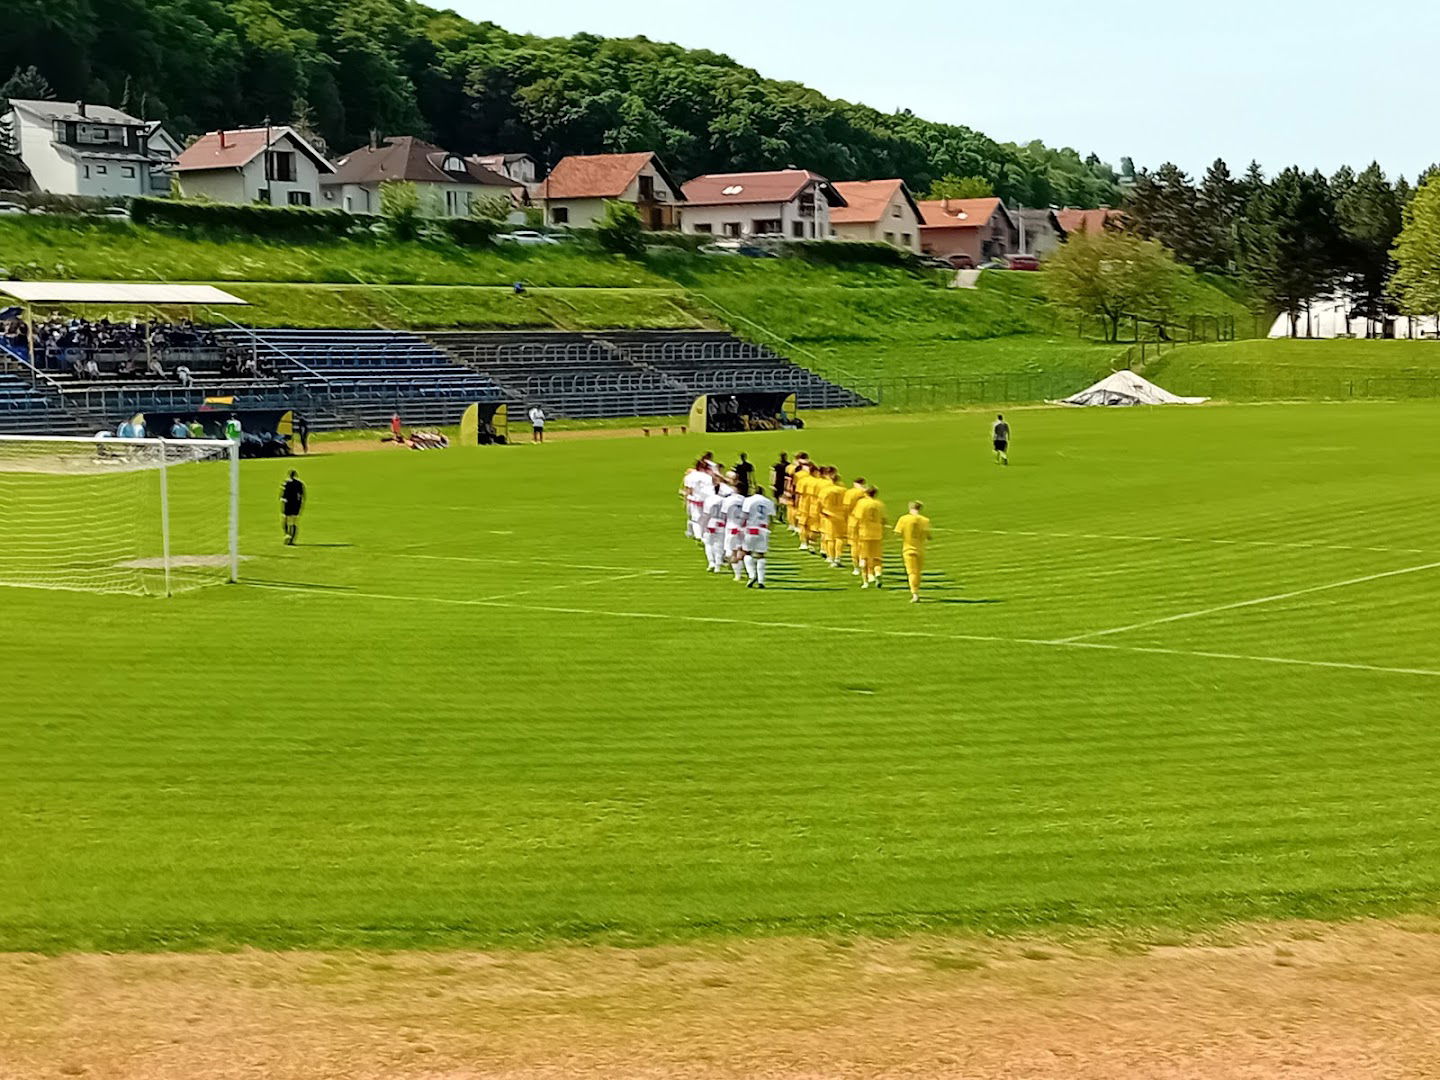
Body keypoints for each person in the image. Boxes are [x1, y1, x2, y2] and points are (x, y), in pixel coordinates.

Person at [894, 501, 932, 603]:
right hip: (920, 549)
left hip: (908, 549)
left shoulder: (903, 519)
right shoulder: (925, 520)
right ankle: (916, 591)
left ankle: (915, 593)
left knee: (911, 572)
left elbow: (897, 533)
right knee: (917, 573)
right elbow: (929, 536)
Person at [741, 484, 776, 589]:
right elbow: (771, 518)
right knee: (761, 555)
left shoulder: (748, 500)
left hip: (751, 528)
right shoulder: (768, 502)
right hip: (763, 529)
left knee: (747, 552)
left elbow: (744, 515)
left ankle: (751, 575)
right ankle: (761, 580)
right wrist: (770, 530)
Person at [852, 486, 887, 589]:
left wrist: (854, 532)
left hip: (864, 533)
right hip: (877, 534)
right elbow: (884, 520)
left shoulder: (862, 503)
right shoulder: (880, 504)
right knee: (877, 558)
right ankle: (877, 573)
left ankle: (865, 581)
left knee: (864, 558)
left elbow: (857, 519)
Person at [819, 467, 848, 568]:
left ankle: (831, 558)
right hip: (841, 515)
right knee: (840, 538)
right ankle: (838, 558)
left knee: (830, 538)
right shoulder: (844, 490)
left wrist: (821, 512)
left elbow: (820, 503)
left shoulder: (826, 490)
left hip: (829, 515)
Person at [720, 481, 748, 581]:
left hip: (731, 527)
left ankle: (737, 574)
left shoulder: (728, 500)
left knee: (731, 552)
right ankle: (741, 572)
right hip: (743, 528)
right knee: (741, 550)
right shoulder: (745, 500)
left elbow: (723, 514)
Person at [842, 476, 868, 576]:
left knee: (854, 544)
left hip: (853, 520)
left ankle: (856, 567)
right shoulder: (866, 493)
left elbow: (846, 507)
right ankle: (863, 561)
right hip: (865, 522)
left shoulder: (850, 493)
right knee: (864, 544)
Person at [701, 482, 727, 572]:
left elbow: (705, 514)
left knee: (709, 544)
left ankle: (711, 562)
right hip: (721, 522)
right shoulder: (724, 500)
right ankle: (718, 565)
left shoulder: (708, 499)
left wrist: (703, 526)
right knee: (719, 544)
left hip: (711, 522)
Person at [280, 470, 305, 545]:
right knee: (294, 522)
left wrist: (282, 503)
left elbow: (282, 496)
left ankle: (287, 535)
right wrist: (300, 505)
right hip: (296, 505)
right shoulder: (299, 483)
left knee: (285, 520)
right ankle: (292, 539)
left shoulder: (286, 483)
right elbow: (302, 496)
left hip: (288, 504)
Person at [770, 453, 790, 524]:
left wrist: (772, 484)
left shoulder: (777, 465)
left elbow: (773, 475)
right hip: (782, 485)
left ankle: (779, 516)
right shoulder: (788, 465)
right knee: (780, 502)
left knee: (780, 502)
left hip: (780, 485)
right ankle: (779, 515)